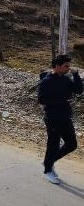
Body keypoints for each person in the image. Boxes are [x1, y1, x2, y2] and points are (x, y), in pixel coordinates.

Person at [38, 54, 81, 184]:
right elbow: (42, 99)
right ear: (57, 66)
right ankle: (47, 171)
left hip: (65, 116)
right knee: (53, 143)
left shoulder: (65, 79)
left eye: (69, 66)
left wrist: (76, 75)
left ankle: (48, 162)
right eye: (66, 66)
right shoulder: (47, 81)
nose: (68, 68)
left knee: (72, 144)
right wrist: (63, 101)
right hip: (53, 117)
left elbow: (78, 90)